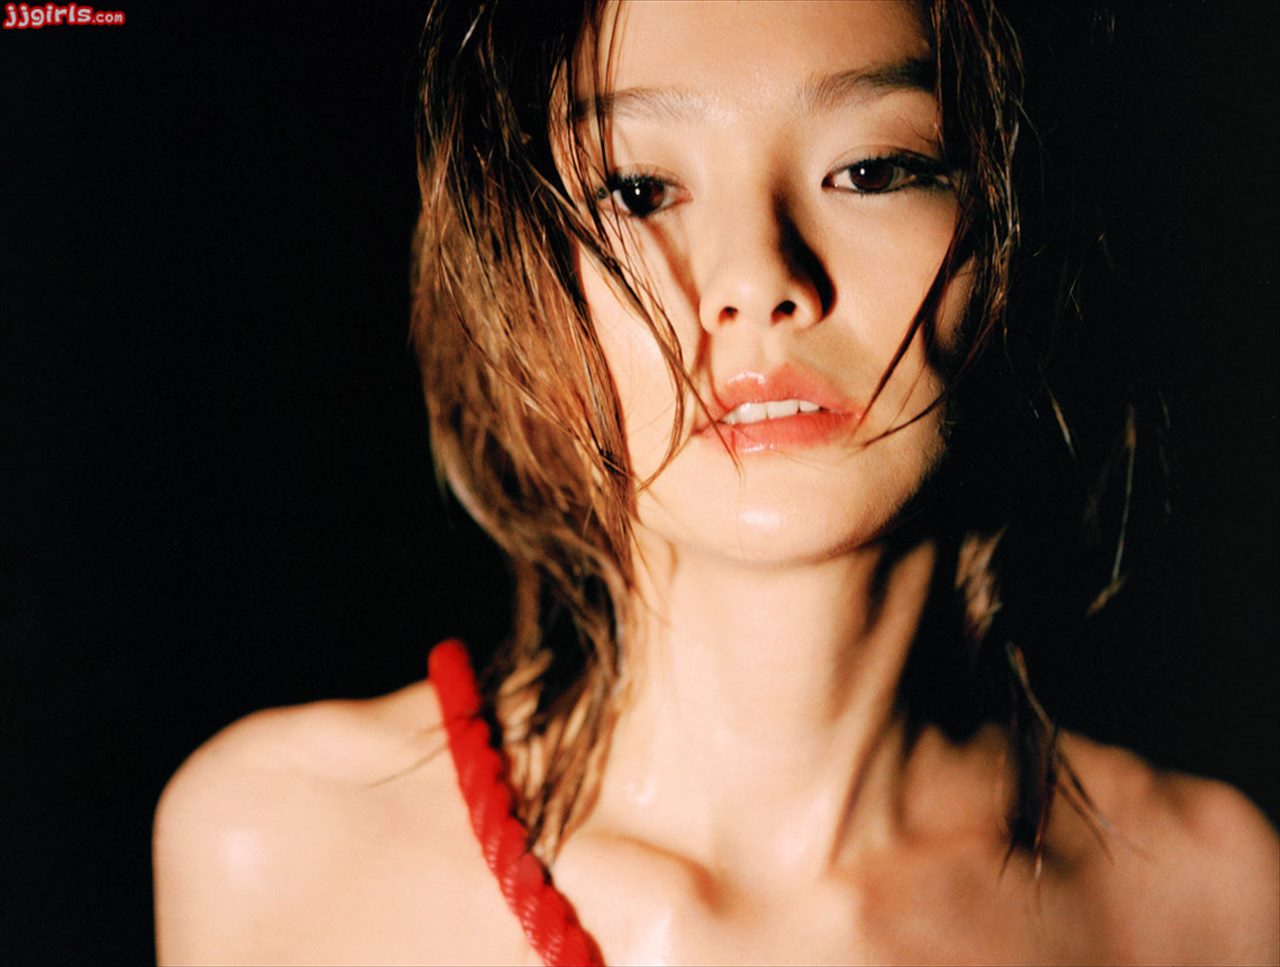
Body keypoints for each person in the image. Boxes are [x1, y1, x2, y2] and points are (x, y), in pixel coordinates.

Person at [152, 1, 1279, 963]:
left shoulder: (1207, 896)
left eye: (873, 170)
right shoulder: (280, 844)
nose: (757, 277)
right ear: (513, 271)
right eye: (639, 189)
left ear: (1014, 237)